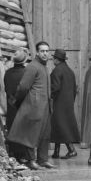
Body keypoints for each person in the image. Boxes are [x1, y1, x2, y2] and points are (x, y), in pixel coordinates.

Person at [7, 41, 55, 170]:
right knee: (31, 133)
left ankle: (43, 159)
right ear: (37, 52)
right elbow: (23, 86)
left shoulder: (45, 67)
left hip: (45, 106)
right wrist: (18, 100)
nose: (45, 53)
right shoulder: (33, 66)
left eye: (47, 51)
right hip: (34, 105)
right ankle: (30, 160)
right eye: (42, 51)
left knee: (45, 134)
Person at [50, 49, 80, 159]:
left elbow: (55, 87)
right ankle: (56, 152)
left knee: (61, 126)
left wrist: (50, 95)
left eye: (54, 58)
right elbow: (74, 89)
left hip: (59, 103)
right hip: (68, 103)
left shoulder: (57, 70)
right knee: (59, 126)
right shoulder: (70, 71)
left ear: (57, 60)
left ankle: (72, 150)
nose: (53, 60)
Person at [3, 48, 28, 162]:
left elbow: (7, 89)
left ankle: (13, 153)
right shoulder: (27, 73)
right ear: (25, 60)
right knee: (23, 130)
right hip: (23, 105)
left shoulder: (7, 73)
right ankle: (23, 155)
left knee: (12, 128)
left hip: (11, 105)